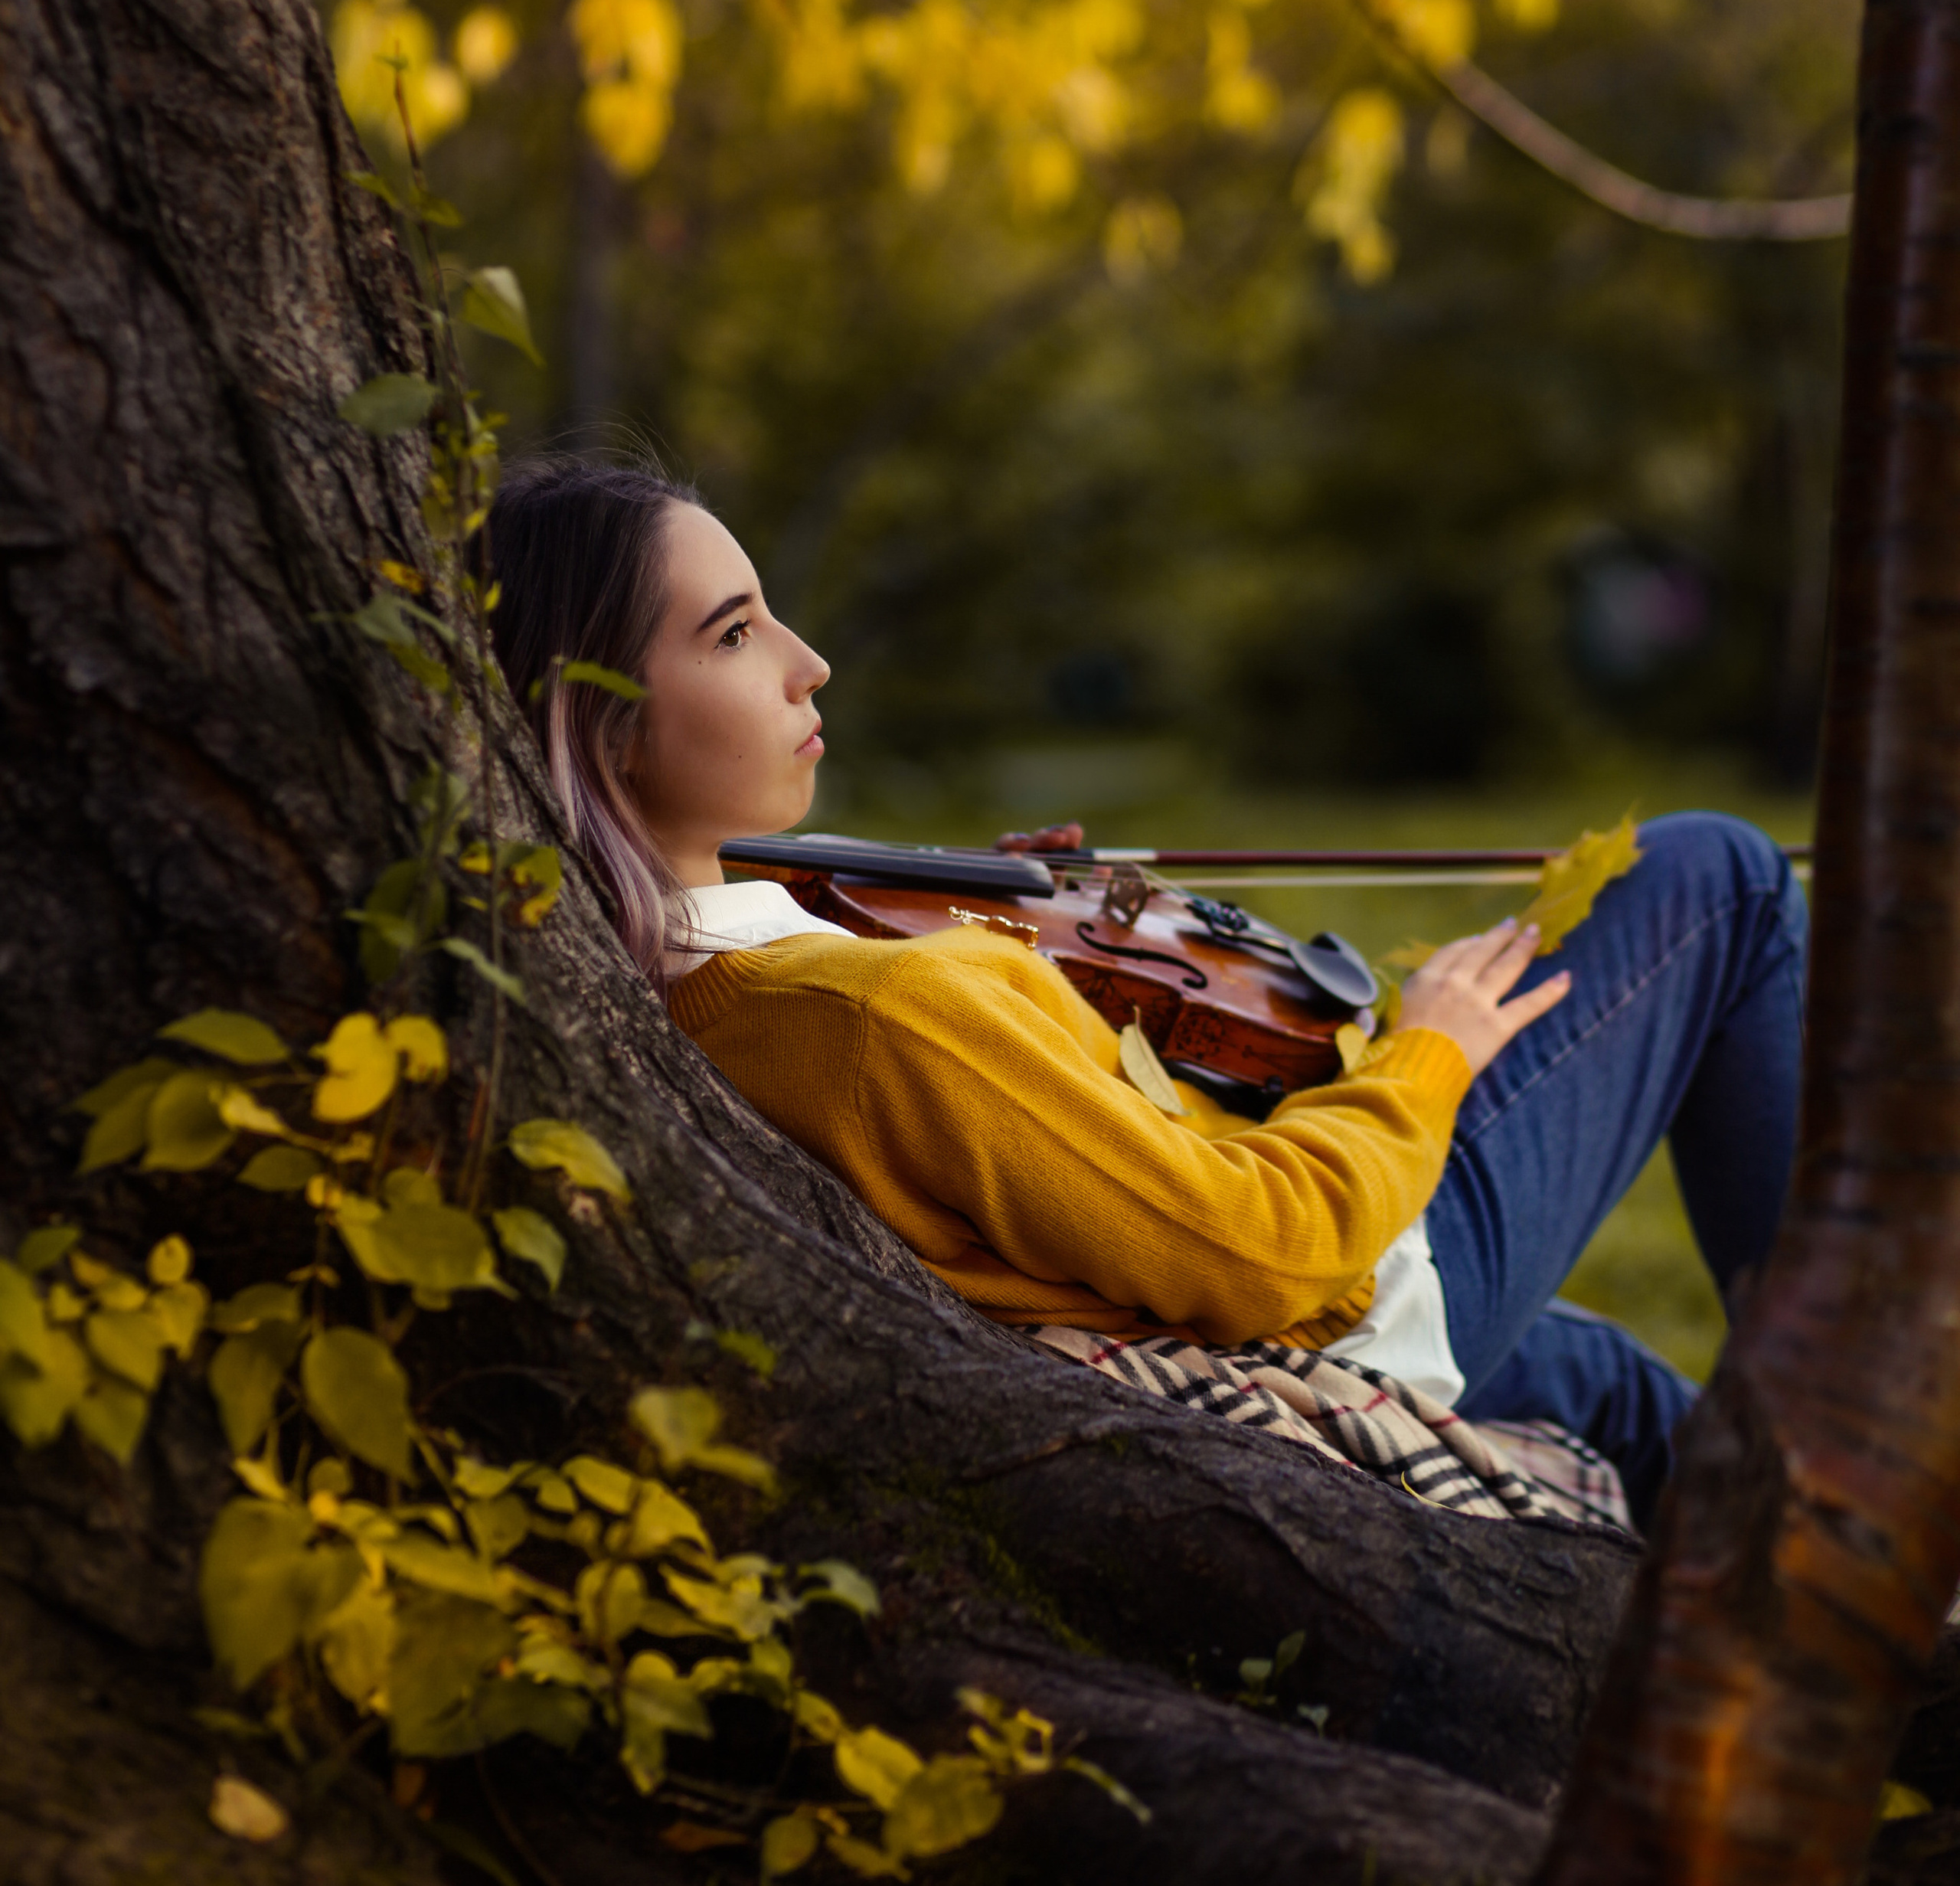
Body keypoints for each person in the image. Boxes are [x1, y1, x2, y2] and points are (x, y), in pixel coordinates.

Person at [488, 458, 1808, 1528]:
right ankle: (1865, 1424)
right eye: (734, 633)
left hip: (1226, 1268)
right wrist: (1430, 1054)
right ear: (602, 725)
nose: (807, 659)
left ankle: (1876, 1607)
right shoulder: (869, 1012)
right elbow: (1257, 1250)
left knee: (1625, 1395)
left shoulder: (679, 976)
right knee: (1722, 877)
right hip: (1345, 1289)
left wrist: (1005, 947)